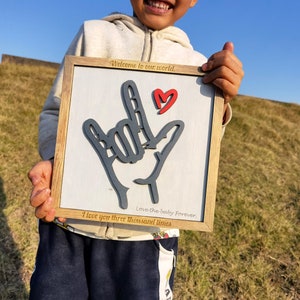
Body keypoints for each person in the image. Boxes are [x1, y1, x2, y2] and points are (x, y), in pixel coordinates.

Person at [28, 1, 244, 299]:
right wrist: (57, 160)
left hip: (147, 240)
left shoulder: (198, 67)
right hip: (69, 227)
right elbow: (56, 111)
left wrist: (219, 105)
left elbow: (195, 151)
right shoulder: (93, 35)